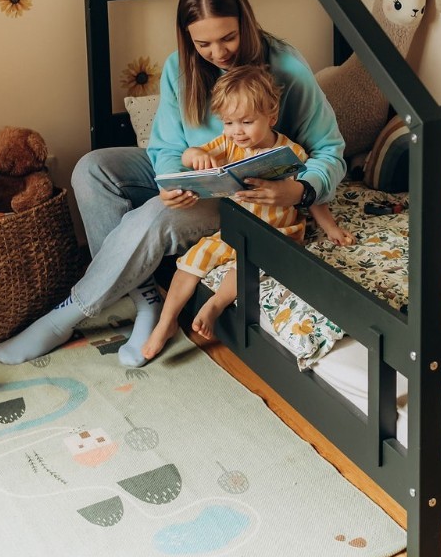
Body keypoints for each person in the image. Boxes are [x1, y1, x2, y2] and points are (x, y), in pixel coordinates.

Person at [0, 0, 347, 368]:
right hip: (197, 178)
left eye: (228, 38)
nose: (218, 52)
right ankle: (146, 299)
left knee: (155, 215)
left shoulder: (287, 67)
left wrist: (300, 191)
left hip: (245, 196)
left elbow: (330, 150)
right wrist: (169, 181)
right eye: (203, 43)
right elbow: (165, 146)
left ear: (246, 23)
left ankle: (69, 313)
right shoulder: (181, 67)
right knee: (91, 169)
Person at [141, 64, 353, 360]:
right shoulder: (228, 145)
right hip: (234, 230)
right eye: (228, 122)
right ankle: (166, 322)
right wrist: (196, 155)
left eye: (246, 122)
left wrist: (330, 227)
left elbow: (312, 195)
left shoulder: (289, 153)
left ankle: (215, 305)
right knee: (191, 262)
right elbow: (187, 156)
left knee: (244, 268)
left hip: (276, 234)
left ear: (271, 116)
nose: (236, 131)